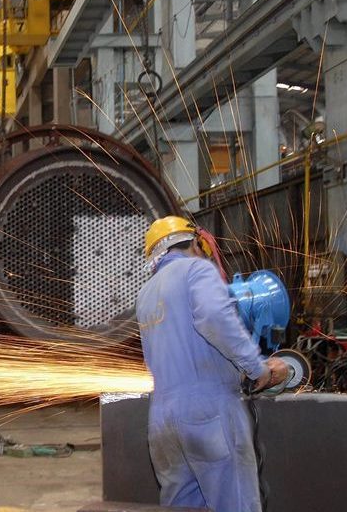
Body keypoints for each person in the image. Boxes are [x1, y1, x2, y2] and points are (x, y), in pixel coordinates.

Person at [135, 215, 289, 512]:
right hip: (208, 414)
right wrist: (257, 368)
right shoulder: (197, 269)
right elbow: (215, 318)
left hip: (162, 421)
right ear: (195, 243)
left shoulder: (145, 294)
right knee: (235, 504)